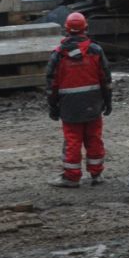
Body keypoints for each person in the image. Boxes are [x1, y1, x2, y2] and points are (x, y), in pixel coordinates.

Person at [46, 11, 112, 187]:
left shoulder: (58, 54)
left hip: (69, 106)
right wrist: (108, 100)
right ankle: (97, 175)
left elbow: (52, 84)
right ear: (86, 28)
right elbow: (105, 78)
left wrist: (53, 107)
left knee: (73, 140)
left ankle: (71, 177)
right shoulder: (95, 50)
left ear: (66, 29)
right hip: (93, 103)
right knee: (94, 138)